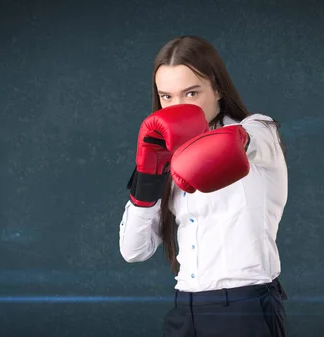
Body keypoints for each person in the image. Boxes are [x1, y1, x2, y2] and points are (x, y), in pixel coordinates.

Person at [119, 35, 289, 337]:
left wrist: (197, 147)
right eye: (167, 97)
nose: (177, 107)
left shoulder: (258, 131)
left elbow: (243, 143)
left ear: (218, 89)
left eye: (191, 93)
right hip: (184, 308)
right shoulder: (163, 155)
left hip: (243, 307)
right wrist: (148, 174)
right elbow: (134, 251)